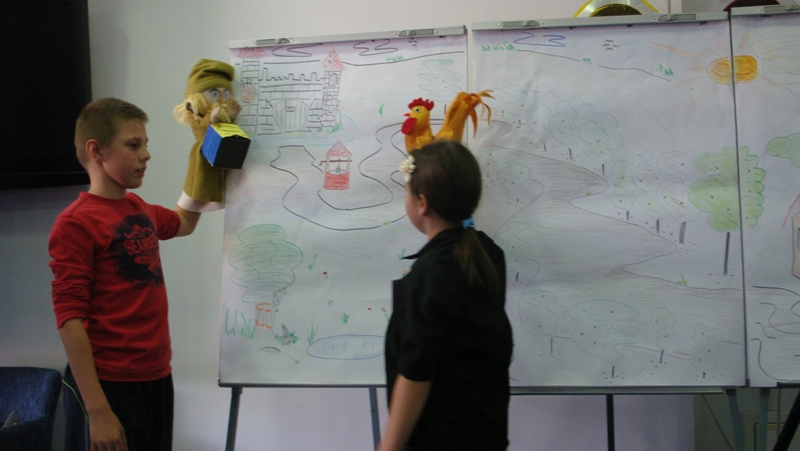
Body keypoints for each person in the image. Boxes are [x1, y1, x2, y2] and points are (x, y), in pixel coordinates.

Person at [49, 98, 202, 451]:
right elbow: (69, 318)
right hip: (108, 384)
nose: (146, 155)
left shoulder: (139, 208)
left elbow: (183, 222)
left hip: (156, 375)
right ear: (96, 150)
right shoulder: (75, 223)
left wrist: (204, 160)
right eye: (133, 145)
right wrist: (98, 412)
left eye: (145, 144)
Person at [380, 139, 513, 451]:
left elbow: (416, 375)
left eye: (407, 194)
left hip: (440, 439)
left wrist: (388, 447)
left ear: (422, 203)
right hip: (486, 433)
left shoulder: (430, 274)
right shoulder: (488, 254)